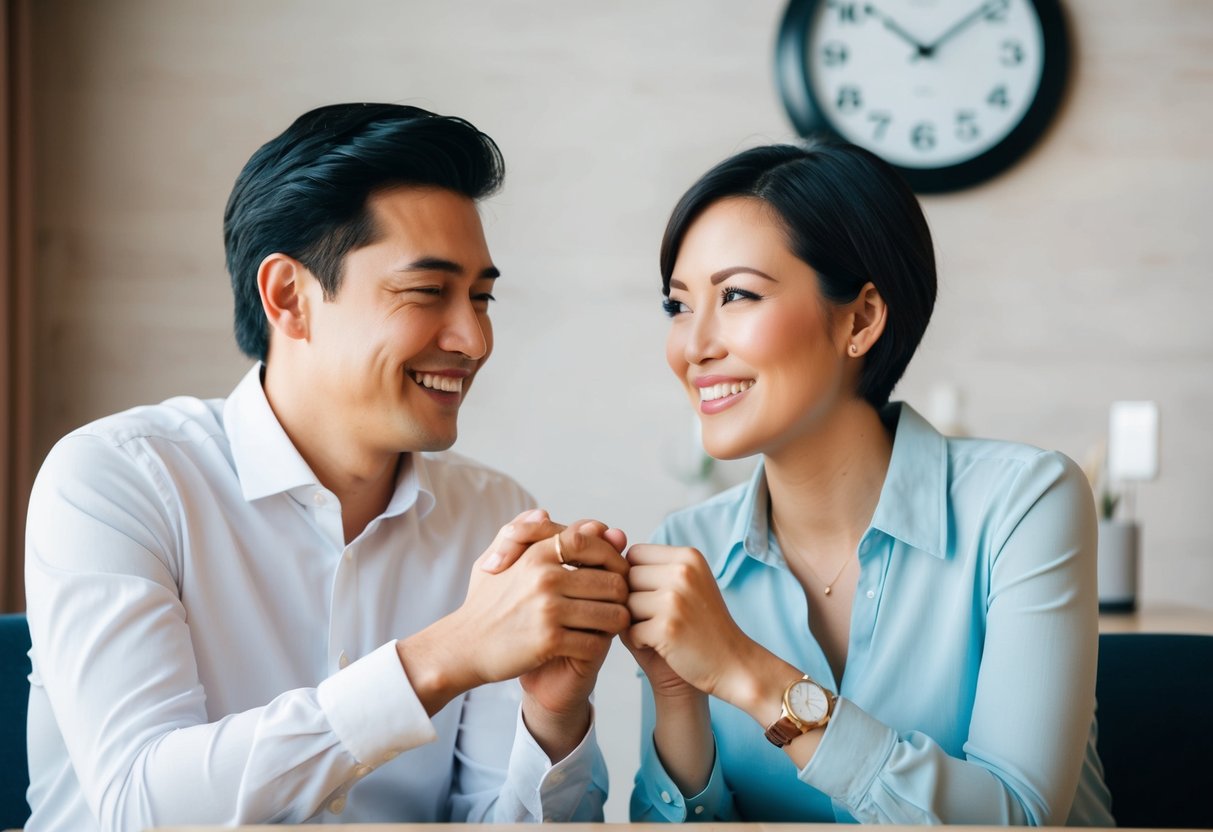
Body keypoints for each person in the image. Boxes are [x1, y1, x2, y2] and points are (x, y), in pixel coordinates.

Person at [24, 103, 632, 830]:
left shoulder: (491, 515)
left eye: (481, 297)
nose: (474, 339)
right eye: (427, 292)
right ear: (289, 298)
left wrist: (552, 718)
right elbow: (139, 806)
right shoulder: (116, 481)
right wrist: (446, 655)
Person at [624, 141, 1115, 825]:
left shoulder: (1025, 503)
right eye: (677, 306)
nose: (693, 346)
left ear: (860, 319)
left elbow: (1017, 818)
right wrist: (678, 694)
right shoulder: (687, 546)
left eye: (736, 295)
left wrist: (746, 672)